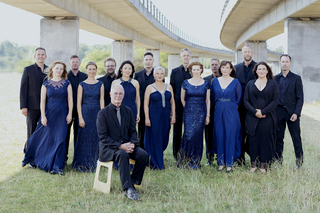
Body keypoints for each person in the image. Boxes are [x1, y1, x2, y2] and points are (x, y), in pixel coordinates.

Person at [97, 84, 148, 201]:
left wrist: (132, 144)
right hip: (109, 148)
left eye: (120, 94)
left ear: (123, 95)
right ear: (110, 94)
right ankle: (128, 189)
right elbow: (103, 137)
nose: (118, 96)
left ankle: (133, 182)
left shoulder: (128, 111)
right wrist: (120, 146)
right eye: (115, 93)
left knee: (143, 155)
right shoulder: (102, 113)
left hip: (126, 145)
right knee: (122, 154)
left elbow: (133, 132)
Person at [22, 61, 73, 176]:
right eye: (57, 68)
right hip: (49, 115)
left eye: (61, 69)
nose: (59, 71)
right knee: (47, 139)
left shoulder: (67, 83)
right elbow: (43, 101)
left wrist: (69, 114)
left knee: (60, 140)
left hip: (62, 115)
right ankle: (38, 159)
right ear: (52, 69)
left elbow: (70, 99)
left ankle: (58, 166)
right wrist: (43, 116)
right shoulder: (46, 84)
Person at [244, 62, 279, 173]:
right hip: (252, 117)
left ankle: (263, 166)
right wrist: (255, 112)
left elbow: (275, 101)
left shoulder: (273, 84)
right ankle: (253, 165)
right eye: (259, 69)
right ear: (256, 71)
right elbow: (245, 101)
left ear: (267, 71)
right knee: (252, 141)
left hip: (267, 117)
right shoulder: (250, 83)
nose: (261, 71)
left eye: (264, 69)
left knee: (265, 141)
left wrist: (263, 111)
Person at [72, 61, 104, 172]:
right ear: (86, 70)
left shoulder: (100, 84)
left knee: (95, 137)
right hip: (85, 112)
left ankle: (94, 160)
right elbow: (78, 102)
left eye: (94, 69)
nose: (92, 71)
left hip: (96, 112)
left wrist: (102, 116)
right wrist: (80, 117)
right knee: (83, 137)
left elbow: (101, 101)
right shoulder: (82, 84)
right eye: (89, 69)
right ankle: (81, 162)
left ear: (96, 70)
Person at [211, 61, 242, 173]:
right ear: (220, 69)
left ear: (231, 69)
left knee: (230, 134)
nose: (224, 69)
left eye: (227, 67)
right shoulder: (215, 81)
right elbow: (213, 96)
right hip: (218, 109)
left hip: (231, 110)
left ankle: (229, 163)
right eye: (223, 67)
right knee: (219, 134)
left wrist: (230, 106)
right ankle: (221, 162)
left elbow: (239, 99)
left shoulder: (235, 81)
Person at [274, 54, 304, 169]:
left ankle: (299, 163)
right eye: (283, 61)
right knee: (278, 138)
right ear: (280, 63)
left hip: (292, 113)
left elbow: (300, 98)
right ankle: (278, 161)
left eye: (287, 61)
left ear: (290, 63)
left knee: (296, 138)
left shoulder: (296, 78)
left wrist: (296, 113)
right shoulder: (275, 78)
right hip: (278, 111)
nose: (285, 63)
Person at [179, 61, 210, 169]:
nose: (196, 71)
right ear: (191, 71)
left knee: (197, 136)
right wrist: (187, 108)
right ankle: (185, 160)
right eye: (194, 69)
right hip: (189, 112)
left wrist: (207, 115)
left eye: (198, 69)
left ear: (201, 70)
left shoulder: (206, 83)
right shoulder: (186, 82)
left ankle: (195, 161)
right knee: (188, 135)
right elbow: (182, 99)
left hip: (201, 112)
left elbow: (208, 100)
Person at [143, 66, 175, 170]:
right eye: (157, 73)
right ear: (154, 75)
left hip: (165, 117)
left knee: (164, 137)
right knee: (155, 137)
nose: (159, 75)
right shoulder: (150, 87)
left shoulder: (169, 86)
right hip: (154, 116)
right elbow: (145, 103)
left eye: (161, 73)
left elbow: (172, 102)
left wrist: (173, 115)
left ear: (164, 75)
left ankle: (158, 158)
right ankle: (157, 164)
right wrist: (147, 118)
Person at [234, 44, 257, 165]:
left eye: (249, 51)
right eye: (245, 52)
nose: (247, 54)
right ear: (242, 54)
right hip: (240, 107)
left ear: (252, 53)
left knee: (252, 132)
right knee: (240, 133)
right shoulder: (236, 68)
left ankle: (254, 158)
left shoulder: (259, 67)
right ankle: (240, 158)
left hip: (254, 106)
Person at [20, 47, 48, 140]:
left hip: (47, 107)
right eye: (38, 54)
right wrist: (24, 106)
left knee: (44, 131)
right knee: (31, 131)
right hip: (32, 106)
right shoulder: (28, 70)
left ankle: (41, 152)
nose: (40, 56)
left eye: (42, 54)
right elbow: (23, 89)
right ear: (35, 56)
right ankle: (29, 152)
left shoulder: (50, 70)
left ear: (46, 56)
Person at [170, 48, 192, 161]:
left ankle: (188, 153)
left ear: (190, 57)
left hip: (192, 105)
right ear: (181, 57)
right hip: (178, 106)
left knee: (189, 131)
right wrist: (172, 110)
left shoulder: (195, 71)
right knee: (177, 131)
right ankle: (176, 154)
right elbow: (172, 91)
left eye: (188, 55)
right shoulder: (174, 72)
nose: (186, 57)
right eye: (184, 55)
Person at [66, 55, 87, 163]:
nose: (75, 63)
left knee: (79, 135)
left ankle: (78, 159)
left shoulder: (85, 76)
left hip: (81, 110)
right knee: (65, 135)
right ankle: (64, 159)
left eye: (76, 62)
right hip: (67, 110)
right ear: (70, 63)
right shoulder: (65, 76)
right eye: (73, 62)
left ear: (79, 63)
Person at [134, 52, 156, 150]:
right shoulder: (137, 75)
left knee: (153, 132)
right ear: (144, 61)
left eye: (150, 59)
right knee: (141, 132)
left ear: (153, 61)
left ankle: (152, 153)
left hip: (154, 108)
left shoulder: (158, 74)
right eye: (146, 59)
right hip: (141, 108)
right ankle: (142, 154)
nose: (148, 62)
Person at [203, 58, 220, 166]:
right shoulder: (205, 80)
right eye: (212, 64)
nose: (214, 66)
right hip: (208, 111)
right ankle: (209, 158)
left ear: (219, 66)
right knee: (208, 135)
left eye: (216, 64)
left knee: (219, 134)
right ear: (210, 66)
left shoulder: (224, 79)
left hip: (220, 110)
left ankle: (220, 156)